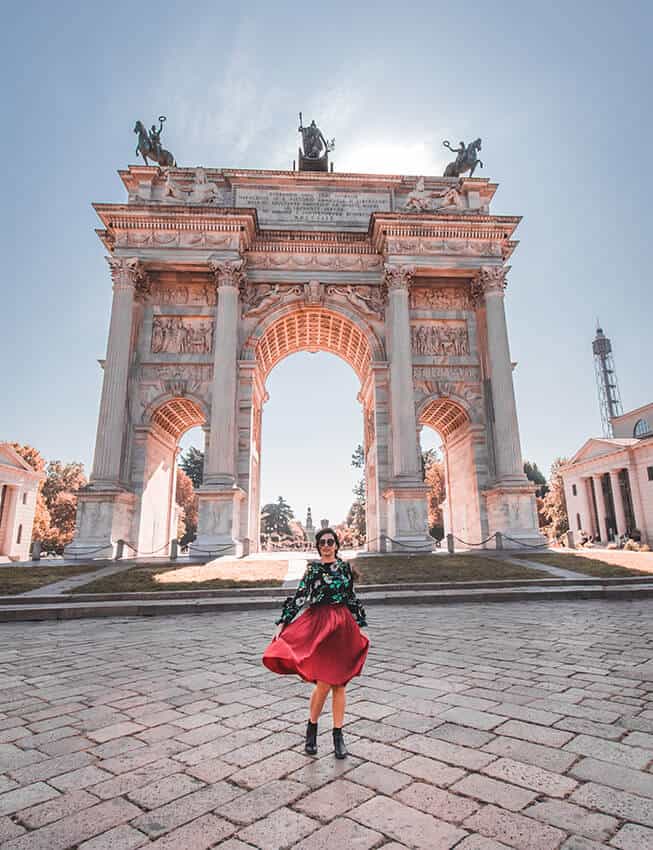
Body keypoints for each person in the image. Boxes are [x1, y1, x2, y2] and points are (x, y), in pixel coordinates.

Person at [262, 527, 369, 759]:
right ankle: (312, 728)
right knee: (323, 683)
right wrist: (282, 623)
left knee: (340, 684)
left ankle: (338, 736)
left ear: (337, 545)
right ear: (318, 545)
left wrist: (359, 625)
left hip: (343, 626)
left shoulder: (344, 568)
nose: (327, 545)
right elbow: (300, 596)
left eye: (331, 541)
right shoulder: (312, 570)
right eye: (323, 542)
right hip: (320, 625)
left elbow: (351, 597)